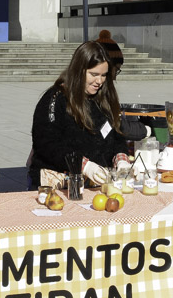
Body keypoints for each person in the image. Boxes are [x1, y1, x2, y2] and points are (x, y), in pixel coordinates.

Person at [30, 42, 131, 188]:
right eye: (94, 74)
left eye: (103, 75)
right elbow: (46, 144)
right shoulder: (55, 98)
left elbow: (117, 136)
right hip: (60, 186)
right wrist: (84, 165)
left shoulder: (104, 98)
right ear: (79, 70)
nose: (99, 81)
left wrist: (121, 159)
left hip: (98, 185)